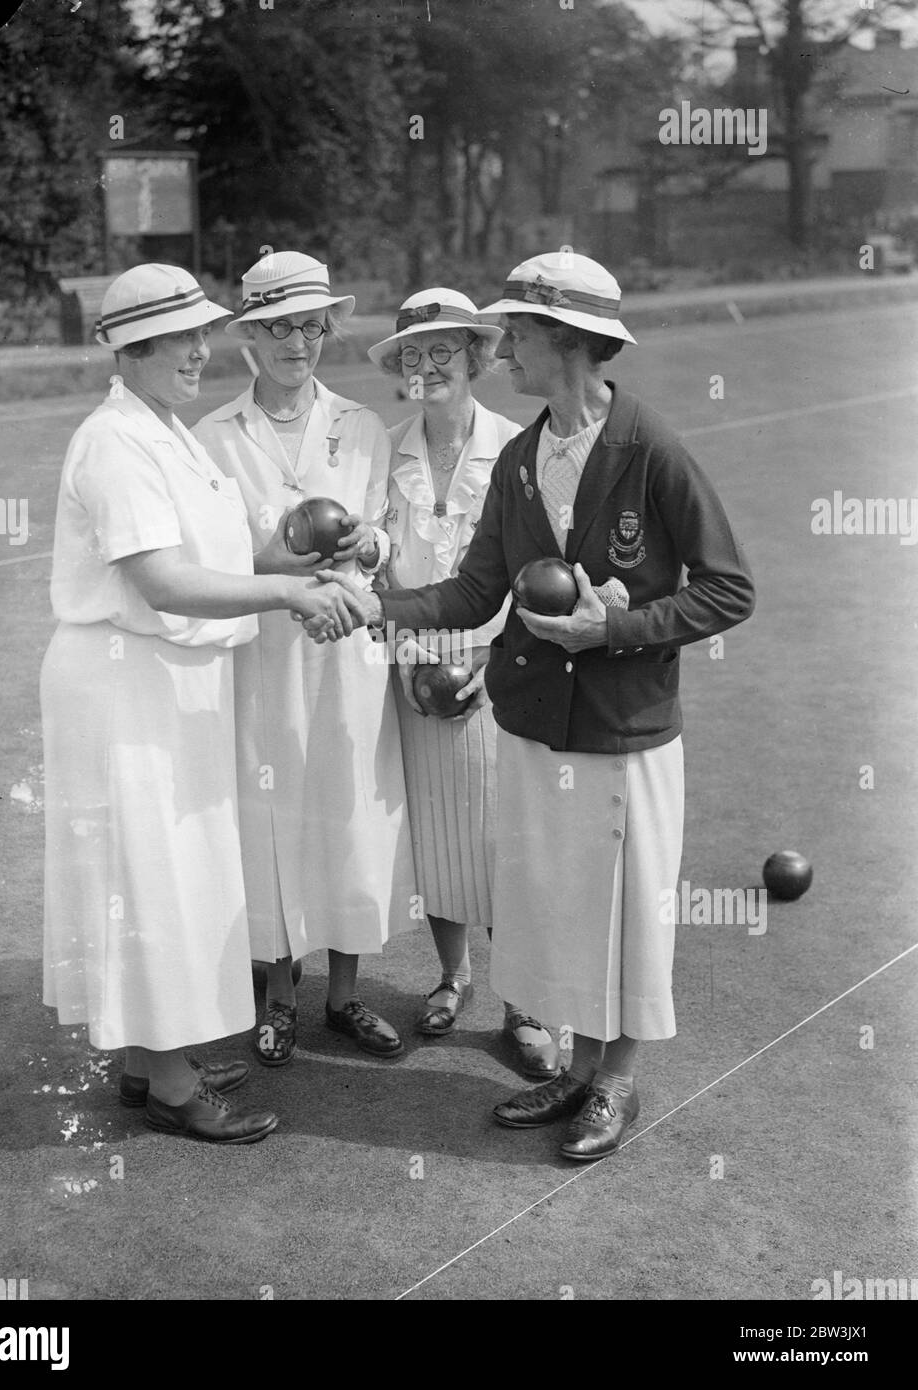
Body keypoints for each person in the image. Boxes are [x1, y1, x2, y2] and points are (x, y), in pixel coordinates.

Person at [316, 252, 755, 1161]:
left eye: (517, 330)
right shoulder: (521, 459)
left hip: (623, 728)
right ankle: (579, 1069)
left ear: (569, 340)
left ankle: (618, 1083)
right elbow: (475, 592)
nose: (504, 345)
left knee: (625, 910)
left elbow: (728, 590)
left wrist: (616, 629)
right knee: (558, 904)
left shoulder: (650, 446)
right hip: (532, 725)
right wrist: (377, 609)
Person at [41, 264, 363, 1145]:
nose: (200, 349)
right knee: (150, 876)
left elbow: (214, 552)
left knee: (171, 872)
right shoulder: (116, 442)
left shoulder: (165, 432)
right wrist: (285, 597)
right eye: (182, 338)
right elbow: (165, 580)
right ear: (133, 348)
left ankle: (152, 1064)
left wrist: (283, 564)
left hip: (167, 682)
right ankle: (177, 1087)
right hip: (124, 683)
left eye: (201, 333)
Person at [193, 252, 417, 1068]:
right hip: (263, 655)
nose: (299, 340)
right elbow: (205, 563)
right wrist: (269, 563)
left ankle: (344, 995)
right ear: (251, 334)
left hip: (346, 651)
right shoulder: (211, 437)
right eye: (280, 325)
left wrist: (371, 541)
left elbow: (385, 534)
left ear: (329, 328)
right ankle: (279, 994)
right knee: (274, 812)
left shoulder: (359, 426)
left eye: (312, 324)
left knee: (347, 812)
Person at [368, 287, 559, 1079]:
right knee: (438, 834)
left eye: (444, 350)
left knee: (501, 841)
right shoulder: (385, 449)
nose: (428, 367)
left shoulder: (517, 446)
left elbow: (543, 574)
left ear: (478, 357)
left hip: (493, 669)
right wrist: (401, 644)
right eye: (414, 354)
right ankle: (453, 976)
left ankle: (525, 1002)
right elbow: (375, 554)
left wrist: (495, 656)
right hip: (413, 668)